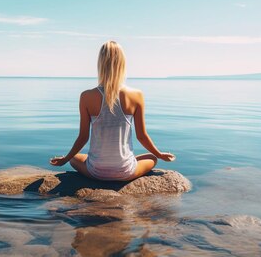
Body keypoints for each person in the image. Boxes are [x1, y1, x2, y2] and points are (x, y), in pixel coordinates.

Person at [49, 41, 175, 181]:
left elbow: (83, 137)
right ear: (122, 64)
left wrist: (65, 159)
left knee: (74, 158)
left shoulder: (86, 96)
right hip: (126, 173)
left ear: (100, 64)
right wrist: (160, 155)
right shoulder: (136, 95)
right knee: (151, 158)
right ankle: (128, 162)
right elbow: (142, 136)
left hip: (96, 172)